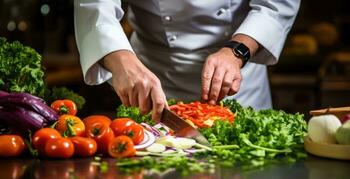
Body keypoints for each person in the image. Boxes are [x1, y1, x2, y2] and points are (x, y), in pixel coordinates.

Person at [74, 0, 301, 122]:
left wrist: (236, 50)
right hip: (152, 79)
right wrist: (121, 60)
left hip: (239, 81)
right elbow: (94, 6)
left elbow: (277, 5)